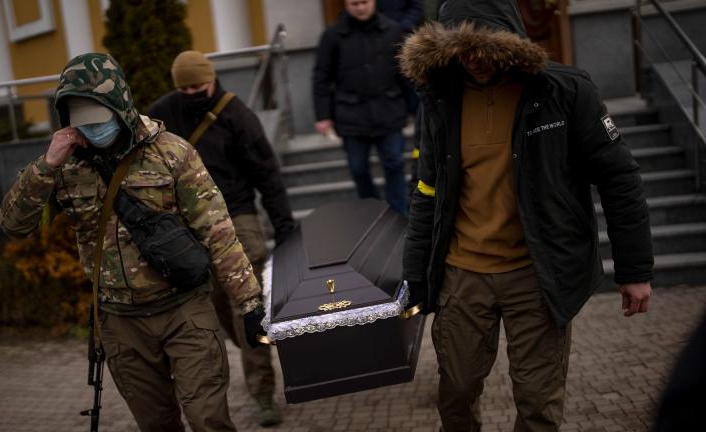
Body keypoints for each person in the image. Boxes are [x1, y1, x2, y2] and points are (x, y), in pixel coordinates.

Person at [398, 1, 654, 430]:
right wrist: (416, 277)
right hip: (463, 274)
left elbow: (619, 178)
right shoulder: (441, 99)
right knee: (456, 391)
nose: (473, 60)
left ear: (509, 42)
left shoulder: (565, 92)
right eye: (461, 49)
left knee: (538, 403)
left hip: (538, 275)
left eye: (483, 47)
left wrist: (635, 269)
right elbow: (426, 192)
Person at [0, 53, 266, 432]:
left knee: (208, 418)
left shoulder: (171, 152)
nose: (93, 127)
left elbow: (218, 231)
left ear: (119, 104)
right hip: (121, 323)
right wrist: (46, 166)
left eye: (98, 115)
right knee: (156, 424)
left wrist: (249, 303)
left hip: (184, 310)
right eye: (81, 118)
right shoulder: (64, 167)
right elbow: (14, 225)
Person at [148, 50, 293, 427]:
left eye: (198, 87)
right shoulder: (163, 113)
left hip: (237, 216)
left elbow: (267, 174)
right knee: (214, 307)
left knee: (247, 307)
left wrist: (284, 226)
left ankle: (262, 393)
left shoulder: (236, 115)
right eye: (184, 89)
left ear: (212, 79)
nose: (192, 94)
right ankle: (244, 347)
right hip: (188, 223)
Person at [313, 0, 410, 216]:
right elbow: (322, 77)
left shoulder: (393, 31)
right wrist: (323, 116)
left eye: (364, 2)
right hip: (351, 115)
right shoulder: (333, 35)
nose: (360, 8)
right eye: (354, 3)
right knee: (358, 169)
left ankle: (399, 214)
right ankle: (372, 213)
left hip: (389, 111)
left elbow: (406, 74)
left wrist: (415, 107)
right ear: (346, 5)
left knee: (394, 163)